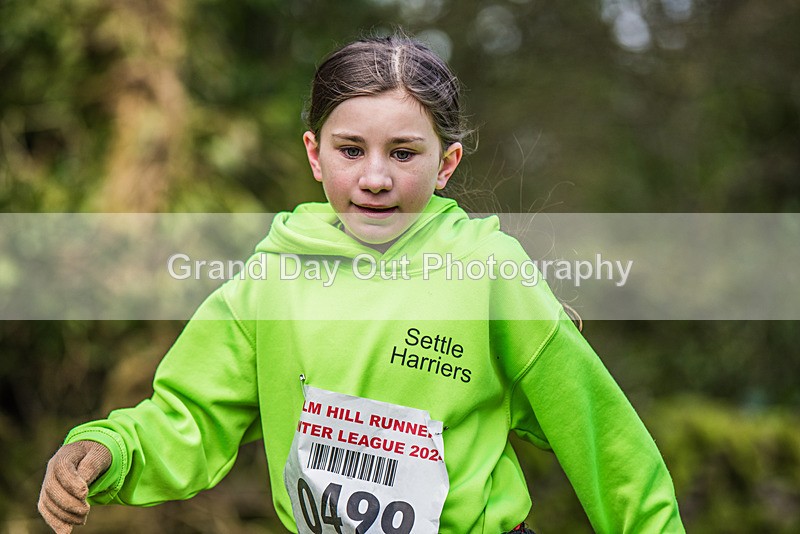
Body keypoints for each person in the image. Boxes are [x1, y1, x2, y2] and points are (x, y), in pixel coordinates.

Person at [38, 33, 684, 533]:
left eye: (403, 153)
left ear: (446, 164)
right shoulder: (272, 277)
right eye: (352, 151)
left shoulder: (490, 273)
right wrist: (107, 448)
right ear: (315, 155)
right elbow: (189, 417)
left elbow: (604, 441)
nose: (376, 177)